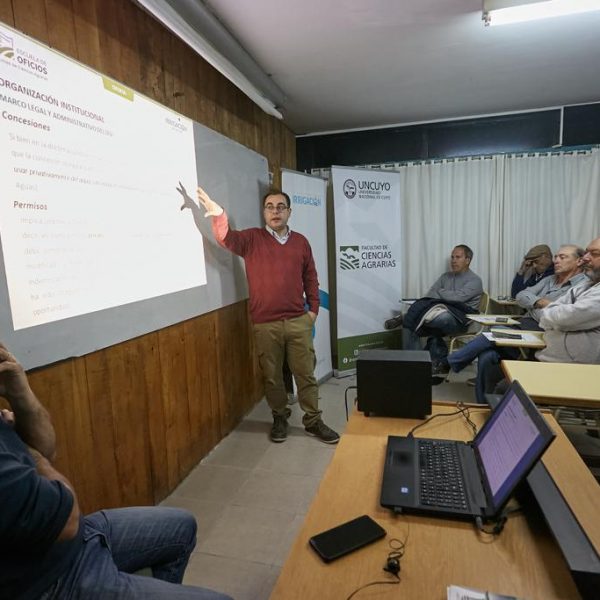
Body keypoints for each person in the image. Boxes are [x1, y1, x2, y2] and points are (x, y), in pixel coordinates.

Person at [0, 343, 232, 600]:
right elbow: (67, 520)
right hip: (51, 579)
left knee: (182, 527)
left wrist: (19, 393)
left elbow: (47, 447)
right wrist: (32, 454)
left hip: (77, 538)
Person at [191, 186, 339, 445]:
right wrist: (218, 214)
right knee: (272, 376)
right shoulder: (251, 239)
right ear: (264, 212)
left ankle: (313, 420)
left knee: (305, 374)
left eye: (280, 207)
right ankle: (280, 417)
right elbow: (225, 238)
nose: (275, 212)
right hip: (265, 324)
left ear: (289, 212)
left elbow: (310, 277)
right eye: (270, 207)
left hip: (298, 321)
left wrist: (313, 311)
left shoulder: (301, 242)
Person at [434, 245, 586, 401]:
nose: (556, 260)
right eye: (556, 257)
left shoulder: (582, 287)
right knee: (487, 355)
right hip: (525, 323)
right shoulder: (549, 280)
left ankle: (447, 363)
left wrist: (534, 306)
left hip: (544, 332)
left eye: (563, 257)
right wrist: (539, 302)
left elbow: (559, 314)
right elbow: (521, 295)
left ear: (579, 261)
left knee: (493, 332)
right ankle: (484, 405)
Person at [403, 244, 483, 363]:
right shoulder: (445, 277)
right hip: (439, 313)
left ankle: (431, 350)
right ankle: (416, 362)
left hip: (462, 319)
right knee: (409, 320)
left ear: (467, 260)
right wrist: (444, 295)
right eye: (452, 257)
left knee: (440, 318)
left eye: (458, 257)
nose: (453, 261)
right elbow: (430, 295)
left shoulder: (475, 280)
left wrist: (440, 291)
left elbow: (457, 298)